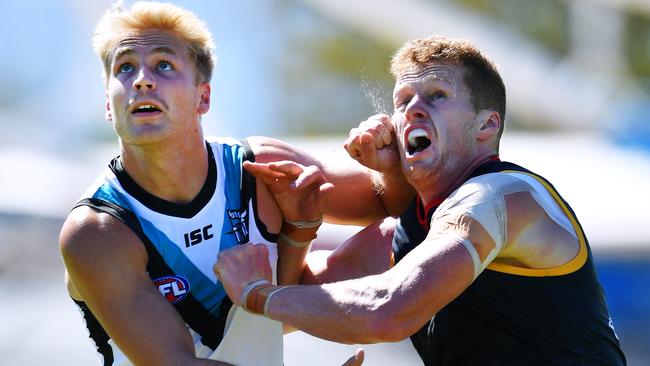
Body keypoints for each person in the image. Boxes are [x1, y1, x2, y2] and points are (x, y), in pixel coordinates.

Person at [214, 36, 627, 365]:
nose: (412, 110)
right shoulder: (406, 232)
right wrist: (300, 229)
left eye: (436, 95)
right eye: (402, 100)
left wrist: (257, 293)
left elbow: (389, 310)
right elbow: (297, 306)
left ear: (487, 124)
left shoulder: (505, 197)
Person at [58, 2, 411, 365]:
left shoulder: (258, 167)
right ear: (107, 103)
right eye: (125, 67)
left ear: (203, 97)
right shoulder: (98, 230)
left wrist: (388, 170)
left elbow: (394, 205)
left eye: (163, 65)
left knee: (405, 234)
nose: (142, 80)